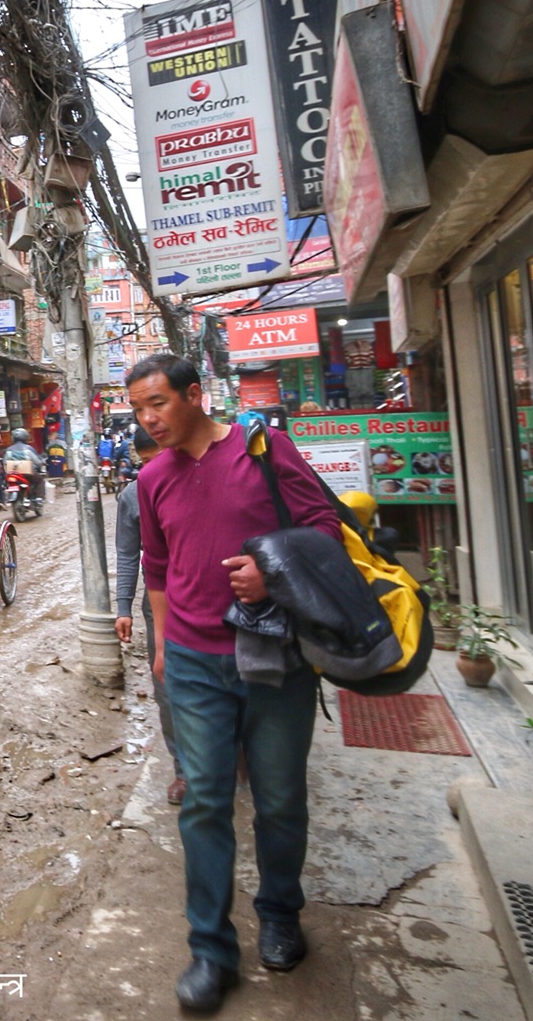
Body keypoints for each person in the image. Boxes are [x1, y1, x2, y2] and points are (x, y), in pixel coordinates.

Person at [131, 354, 340, 1014]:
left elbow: (325, 529)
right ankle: (211, 949)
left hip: (274, 652)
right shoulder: (151, 478)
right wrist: (162, 643)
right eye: (137, 408)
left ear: (195, 395)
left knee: (278, 797)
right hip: (193, 661)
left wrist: (270, 572)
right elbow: (156, 566)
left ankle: (279, 911)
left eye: (157, 403)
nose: (147, 419)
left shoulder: (264, 447)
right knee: (204, 803)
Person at [112, 426, 180, 804]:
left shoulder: (195, 478)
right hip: (160, 605)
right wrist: (123, 607)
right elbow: (127, 554)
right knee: (166, 685)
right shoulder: (132, 496)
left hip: (208, 598)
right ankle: (184, 768)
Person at [2, 426, 43, 505]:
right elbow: (37, 462)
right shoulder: (29, 448)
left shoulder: (8, 450)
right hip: (27, 473)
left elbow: (4, 462)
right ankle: (39, 498)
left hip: (12, 473)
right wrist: (40, 465)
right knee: (40, 480)